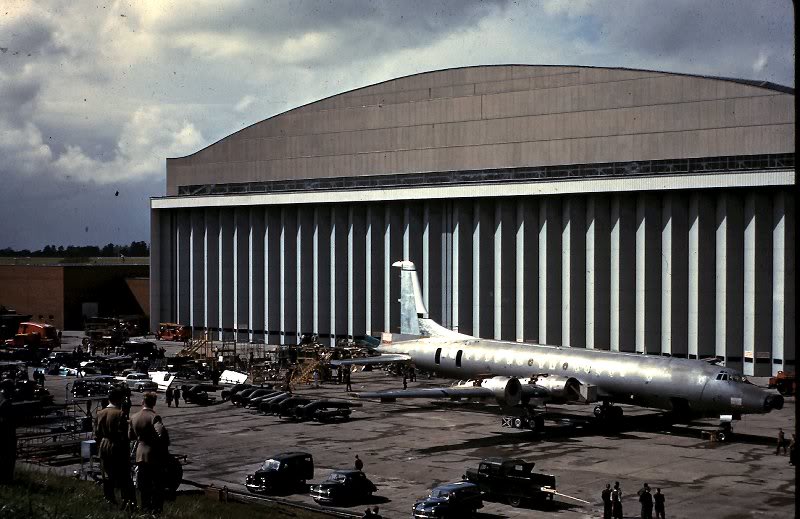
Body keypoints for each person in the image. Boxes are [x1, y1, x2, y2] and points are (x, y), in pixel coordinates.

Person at [94, 388, 134, 507]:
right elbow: (124, 435)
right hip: (116, 446)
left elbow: (97, 433)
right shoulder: (119, 414)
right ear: (119, 399)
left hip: (103, 445)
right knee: (123, 475)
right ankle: (126, 501)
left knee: (107, 475)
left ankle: (109, 499)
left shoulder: (100, 413)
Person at [129, 392, 166, 513]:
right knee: (157, 483)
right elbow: (160, 433)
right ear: (154, 403)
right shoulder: (154, 416)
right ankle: (155, 509)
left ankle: (144, 507)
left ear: (142, 402)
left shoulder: (134, 417)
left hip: (140, 453)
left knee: (143, 484)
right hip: (153, 454)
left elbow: (131, 435)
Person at [0, 381, 16, 484]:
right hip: (7, 434)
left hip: (5, 433)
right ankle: (6, 479)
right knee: (7, 458)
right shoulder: (6, 403)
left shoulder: (4, 401)